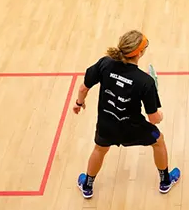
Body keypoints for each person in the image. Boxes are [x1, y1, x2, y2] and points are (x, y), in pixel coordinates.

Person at [72, 30, 180, 199]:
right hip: (134, 129)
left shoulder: (105, 64)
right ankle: (165, 181)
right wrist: (161, 115)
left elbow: (83, 88)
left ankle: (87, 185)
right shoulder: (145, 81)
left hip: (107, 125)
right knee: (158, 141)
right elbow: (154, 119)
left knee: (99, 149)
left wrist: (79, 103)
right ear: (140, 53)